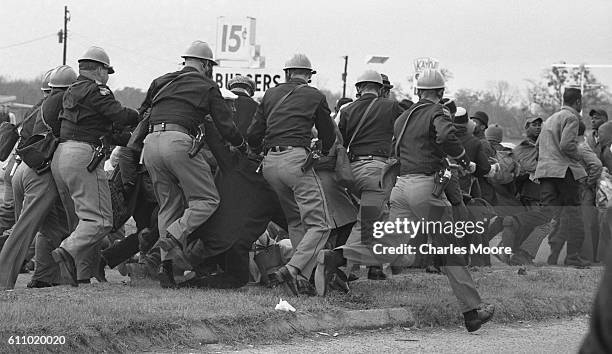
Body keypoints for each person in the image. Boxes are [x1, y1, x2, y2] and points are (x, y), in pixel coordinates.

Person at [321, 68, 494, 331]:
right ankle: (472, 312)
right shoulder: (437, 112)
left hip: (401, 188)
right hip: (426, 188)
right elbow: (446, 136)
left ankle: (339, 257)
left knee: (390, 243)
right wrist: (463, 160)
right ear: (440, 93)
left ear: (418, 91)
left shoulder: (403, 118)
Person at [141, 40, 246, 288]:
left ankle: (166, 269)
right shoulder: (207, 85)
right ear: (205, 64)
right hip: (178, 141)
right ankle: (175, 236)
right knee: (207, 200)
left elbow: (143, 112)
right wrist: (240, 144)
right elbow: (224, 125)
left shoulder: (161, 81)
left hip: (150, 143)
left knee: (168, 205)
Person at [247, 53, 335, 296]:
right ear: (308, 75)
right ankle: (293, 269)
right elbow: (327, 133)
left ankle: (302, 279)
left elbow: (255, 133)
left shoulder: (270, 94)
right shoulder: (314, 95)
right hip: (296, 160)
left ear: (286, 73)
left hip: (270, 164)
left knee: (295, 220)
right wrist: (324, 151)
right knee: (320, 225)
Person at [51, 46, 139, 286]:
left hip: (62, 156)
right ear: (99, 70)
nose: (108, 76)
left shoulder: (72, 90)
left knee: (82, 221)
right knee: (100, 221)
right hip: (84, 155)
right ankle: (67, 251)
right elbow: (119, 115)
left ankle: (80, 274)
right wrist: (140, 115)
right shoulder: (97, 90)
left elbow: (104, 127)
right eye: (107, 71)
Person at [317, 70, 403, 287]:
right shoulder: (390, 106)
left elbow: (339, 142)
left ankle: (371, 266)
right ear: (381, 89)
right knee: (367, 223)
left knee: (376, 218)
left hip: (351, 171)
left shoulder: (347, 110)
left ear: (358, 88)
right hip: (377, 172)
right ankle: (336, 262)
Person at [0, 65, 76, 289]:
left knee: (52, 228)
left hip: (22, 169)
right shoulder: (62, 105)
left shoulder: (38, 107)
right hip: (40, 173)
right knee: (24, 231)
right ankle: (2, 281)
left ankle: (44, 277)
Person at [535, 88, 589, 267]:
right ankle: (572, 257)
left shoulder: (550, 120)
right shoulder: (572, 118)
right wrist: (579, 157)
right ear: (578, 102)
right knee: (574, 215)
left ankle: (549, 255)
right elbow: (567, 145)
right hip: (564, 172)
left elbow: (537, 146)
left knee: (554, 216)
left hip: (545, 173)